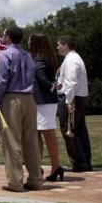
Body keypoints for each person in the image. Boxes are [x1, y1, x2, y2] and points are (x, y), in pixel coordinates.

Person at [0, 26, 42, 192]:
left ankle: (15, 182)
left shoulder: (4, 55)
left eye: (3, 34)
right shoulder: (28, 55)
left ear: (7, 37)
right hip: (30, 98)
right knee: (31, 141)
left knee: (12, 141)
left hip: (11, 98)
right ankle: (35, 179)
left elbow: (1, 82)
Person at [28, 33, 65, 181]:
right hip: (43, 102)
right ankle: (39, 167)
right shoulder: (45, 58)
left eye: (30, 41)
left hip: (43, 102)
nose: (28, 43)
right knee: (39, 135)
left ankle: (55, 166)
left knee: (48, 134)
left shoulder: (39, 59)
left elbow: (42, 79)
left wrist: (52, 86)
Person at [56, 35, 92, 172]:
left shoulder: (70, 60)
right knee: (80, 130)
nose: (57, 47)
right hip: (78, 96)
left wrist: (68, 101)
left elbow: (71, 82)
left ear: (66, 45)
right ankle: (85, 161)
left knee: (69, 130)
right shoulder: (74, 58)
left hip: (72, 97)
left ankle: (79, 163)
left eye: (59, 44)